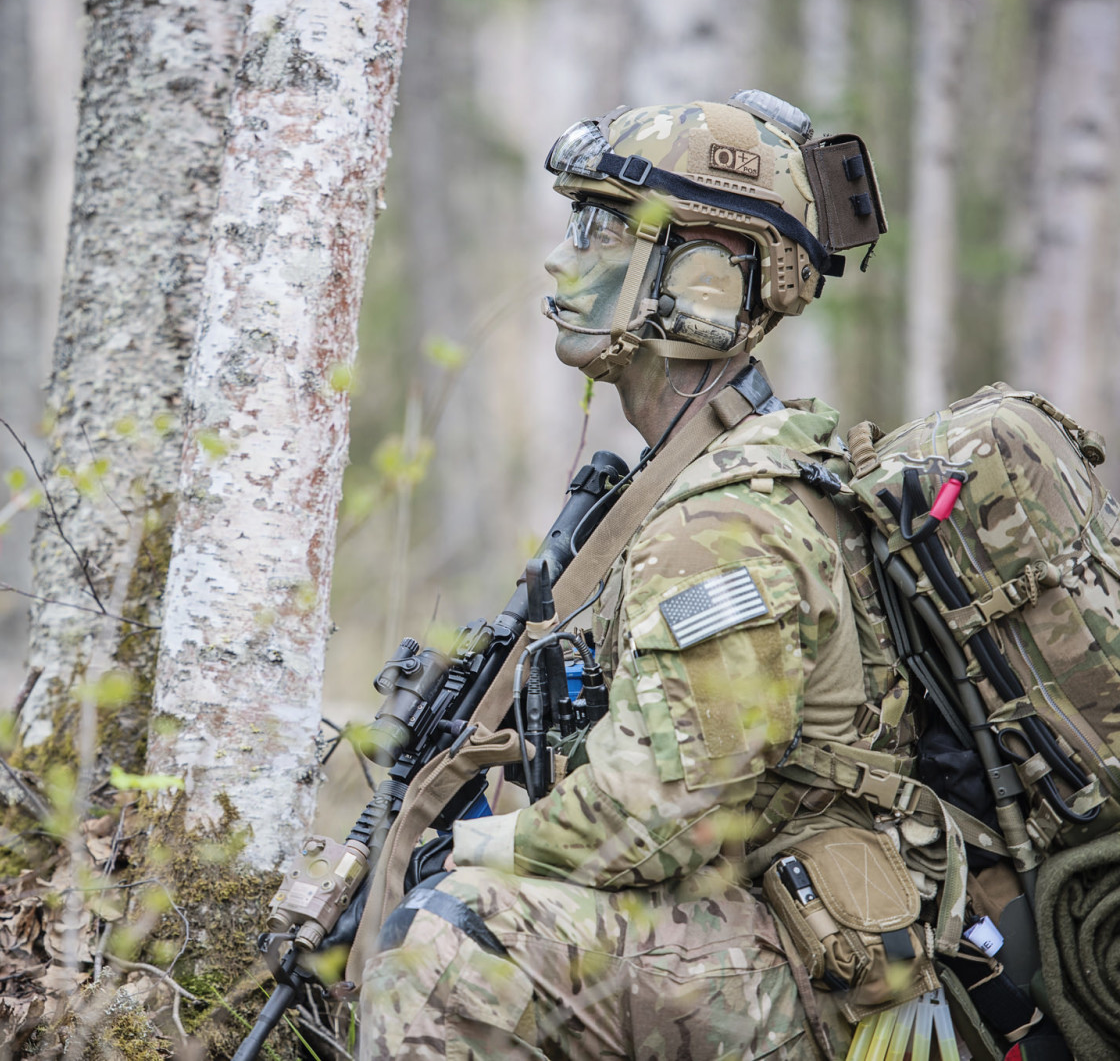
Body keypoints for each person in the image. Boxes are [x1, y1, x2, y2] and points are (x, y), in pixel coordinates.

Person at [357, 92, 955, 1060]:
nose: (560, 257)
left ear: (708, 281)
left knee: (455, 936)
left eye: (599, 230)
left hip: (814, 971)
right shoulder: (709, 473)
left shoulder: (724, 521)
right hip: (761, 926)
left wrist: (464, 848)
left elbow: (658, 816)